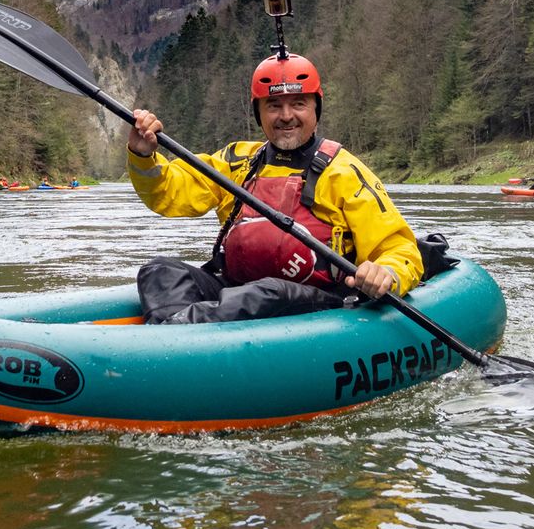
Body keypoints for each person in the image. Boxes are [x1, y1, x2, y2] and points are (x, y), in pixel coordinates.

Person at [126, 51, 423, 325]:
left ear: (315, 109)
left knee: (266, 292)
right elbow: (169, 193)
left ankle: (172, 340)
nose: (286, 116)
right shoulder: (237, 161)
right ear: (259, 113)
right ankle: (168, 343)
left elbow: (399, 248)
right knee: (160, 271)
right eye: (273, 105)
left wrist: (387, 272)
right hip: (238, 291)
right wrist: (142, 155)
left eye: (298, 104)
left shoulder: (344, 172)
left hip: (318, 302)